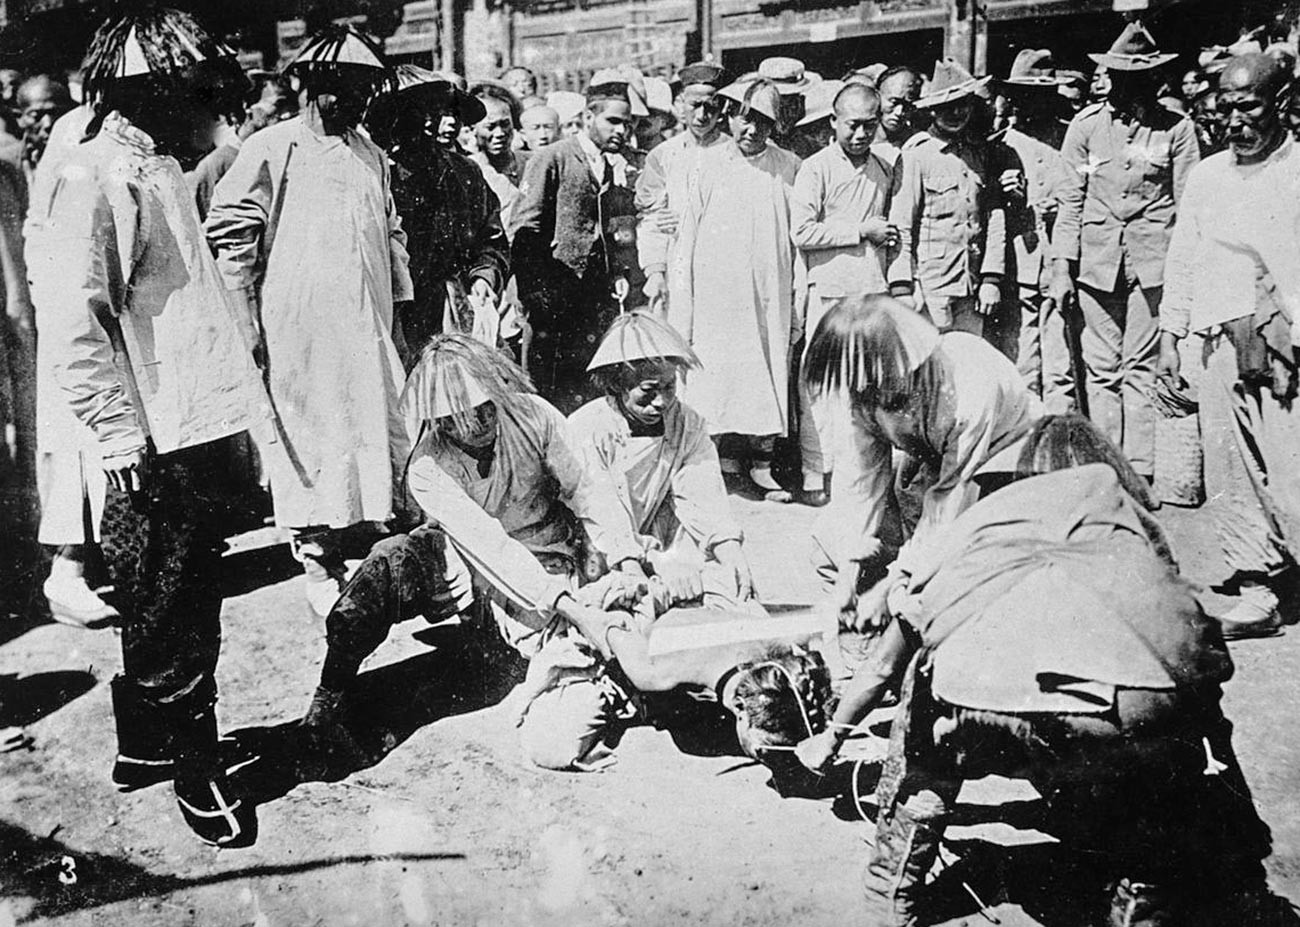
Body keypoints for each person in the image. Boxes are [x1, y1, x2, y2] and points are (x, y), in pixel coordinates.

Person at [794, 419, 1283, 927]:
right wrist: (1228, 788)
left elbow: (888, 657)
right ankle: (1144, 888)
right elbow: (1205, 664)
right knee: (1169, 726)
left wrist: (833, 735)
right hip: (1116, 721)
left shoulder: (978, 525)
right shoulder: (1130, 527)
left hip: (976, 708)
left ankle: (891, 886)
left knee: (922, 684)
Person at [33, 7, 269, 846]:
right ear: (150, 90)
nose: (212, 107)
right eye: (195, 89)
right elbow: (71, 317)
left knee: (173, 580)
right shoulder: (95, 174)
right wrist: (120, 435)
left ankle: (143, 746)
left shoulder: (158, 162)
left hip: (194, 415)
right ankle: (196, 763)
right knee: (173, 595)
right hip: (149, 431)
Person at [297, 335, 648, 772]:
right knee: (389, 561)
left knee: (601, 642)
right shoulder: (427, 466)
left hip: (552, 557)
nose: (483, 418)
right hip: (472, 563)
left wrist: (625, 558)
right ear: (441, 421)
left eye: (486, 404)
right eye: (465, 415)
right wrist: (575, 612)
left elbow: (587, 489)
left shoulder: (533, 415)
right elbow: (490, 546)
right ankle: (327, 698)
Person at [205, 25, 414, 616]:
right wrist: (245, 317)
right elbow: (232, 231)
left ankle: (360, 538)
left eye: (365, 86)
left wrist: (394, 311)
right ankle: (317, 554)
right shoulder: (273, 146)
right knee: (310, 429)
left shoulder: (370, 152)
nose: (352, 98)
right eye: (341, 85)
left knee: (368, 423)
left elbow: (391, 234)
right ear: (312, 83)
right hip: (299, 323)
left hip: (365, 317)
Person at [1159, 53, 1300, 639]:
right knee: (1232, 471)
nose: (1235, 122)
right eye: (1225, 110)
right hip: (1220, 343)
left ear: (1284, 105)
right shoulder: (1209, 176)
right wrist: (1171, 335)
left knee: (1291, 472)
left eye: (1250, 107)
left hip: (1287, 346)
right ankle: (1258, 586)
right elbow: (1185, 258)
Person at [803, 296, 1040, 634]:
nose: (870, 397)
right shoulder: (865, 391)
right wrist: (847, 579)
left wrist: (890, 588)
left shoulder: (969, 383)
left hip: (1004, 466)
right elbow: (860, 485)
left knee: (943, 577)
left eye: (879, 384)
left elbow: (949, 504)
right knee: (829, 543)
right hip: (933, 465)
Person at [1051, 21, 1200, 480]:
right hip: (1096, 263)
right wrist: (1061, 268)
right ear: (1109, 76)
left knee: (1140, 366)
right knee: (1100, 369)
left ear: (1155, 80)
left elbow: (1191, 203)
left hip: (1153, 264)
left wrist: (1187, 276)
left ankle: (1140, 472)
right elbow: (1070, 201)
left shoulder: (1177, 130)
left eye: (1140, 76)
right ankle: (1107, 469)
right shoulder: (1086, 126)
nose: (1128, 85)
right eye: (1120, 75)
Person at [666, 78, 801, 499]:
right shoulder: (707, 165)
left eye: (762, 120)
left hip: (768, 289)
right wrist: (682, 306)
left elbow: (798, 235)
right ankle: (722, 460)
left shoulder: (789, 166)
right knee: (717, 373)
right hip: (716, 292)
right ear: (731, 116)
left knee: (766, 366)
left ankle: (762, 463)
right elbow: (686, 239)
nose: (751, 129)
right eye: (745, 118)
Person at [567, 311, 756, 605]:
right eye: (648, 391)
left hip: (654, 533)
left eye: (668, 387)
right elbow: (600, 510)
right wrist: (634, 564)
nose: (661, 402)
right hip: (598, 544)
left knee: (725, 582)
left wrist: (730, 551)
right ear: (617, 385)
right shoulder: (588, 428)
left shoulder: (686, 422)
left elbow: (703, 493)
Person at [791, 82, 901, 507]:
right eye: (852, 125)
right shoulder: (815, 168)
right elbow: (800, 231)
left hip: (871, 289)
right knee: (820, 385)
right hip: (830, 291)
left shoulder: (884, 168)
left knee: (867, 385)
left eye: (869, 126)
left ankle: (860, 474)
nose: (860, 135)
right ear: (833, 123)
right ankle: (814, 471)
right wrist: (859, 231)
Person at [511, 73, 644, 413]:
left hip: (594, 301)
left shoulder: (613, 166)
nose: (621, 131)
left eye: (626, 124)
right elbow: (524, 229)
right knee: (549, 392)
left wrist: (618, 273)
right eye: (612, 121)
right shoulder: (553, 158)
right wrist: (536, 294)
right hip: (553, 303)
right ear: (587, 118)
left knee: (590, 390)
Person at [367, 67, 508, 358]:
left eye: (443, 111)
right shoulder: (375, 174)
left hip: (452, 309)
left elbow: (490, 237)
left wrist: (484, 276)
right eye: (422, 113)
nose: (435, 123)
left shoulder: (464, 172)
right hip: (392, 314)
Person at [887, 59, 1015, 340]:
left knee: (967, 367)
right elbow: (901, 226)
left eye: (963, 105)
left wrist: (992, 278)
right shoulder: (916, 156)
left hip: (971, 287)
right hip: (930, 289)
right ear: (932, 109)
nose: (956, 113)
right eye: (947, 107)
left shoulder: (979, 154)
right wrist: (903, 287)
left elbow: (993, 218)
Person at [994, 49, 1074, 410]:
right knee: (1022, 360)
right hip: (1018, 268)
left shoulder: (1069, 140)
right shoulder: (999, 147)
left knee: (1061, 365)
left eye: (1041, 93)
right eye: (1025, 94)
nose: (1033, 102)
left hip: (1061, 265)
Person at [635, 60, 729, 315]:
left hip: (725, 264)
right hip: (678, 265)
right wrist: (654, 271)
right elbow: (651, 218)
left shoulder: (735, 153)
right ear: (680, 105)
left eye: (710, 106)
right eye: (694, 105)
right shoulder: (662, 156)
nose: (701, 115)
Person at [189, 72, 297, 220]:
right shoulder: (216, 165)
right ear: (248, 107)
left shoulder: (283, 157)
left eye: (290, 108)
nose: (286, 115)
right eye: (277, 105)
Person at [12, 75, 73, 189]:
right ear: (19, 118)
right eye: (36, 116)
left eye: (56, 114)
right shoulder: (8, 163)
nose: (48, 124)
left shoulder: (84, 161)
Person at [874, 65, 924, 159]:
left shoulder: (917, 144)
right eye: (894, 102)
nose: (899, 112)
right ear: (877, 96)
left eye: (907, 105)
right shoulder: (858, 141)